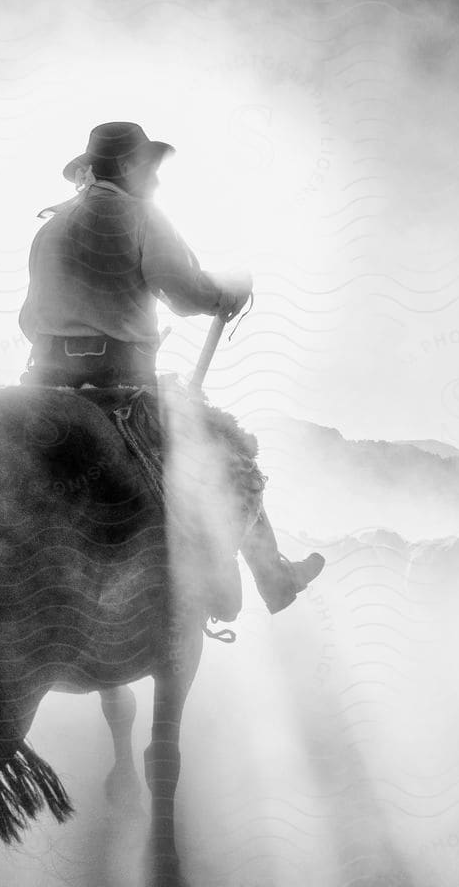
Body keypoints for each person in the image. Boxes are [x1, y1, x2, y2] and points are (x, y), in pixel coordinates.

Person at [18, 120, 323, 617]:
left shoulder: (50, 226)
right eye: (151, 169)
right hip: (119, 386)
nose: (157, 180)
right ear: (129, 167)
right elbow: (184, 296)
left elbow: (29, 321)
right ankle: (275, 578)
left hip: (41, 385)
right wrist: (225, 293)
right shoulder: (142, 217)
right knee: (230, 448)